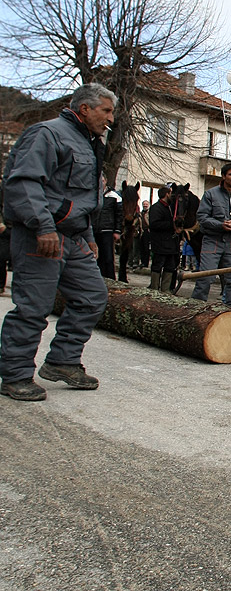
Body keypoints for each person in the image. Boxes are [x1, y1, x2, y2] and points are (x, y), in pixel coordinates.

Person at [0, 84, 115, 401]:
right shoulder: (47, 134)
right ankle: (15, 376)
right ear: (85, 109)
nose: (110, 118)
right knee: (33, 307)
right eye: (106, 111)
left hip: (74, 237)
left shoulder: (90, 144)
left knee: (92, 295)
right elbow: (24, 183)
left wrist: (89, 236)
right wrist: (43, 227)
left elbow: (84, 198)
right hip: (42, 236)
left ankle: (62, 362)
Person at [190, 163, 231, 307]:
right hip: (212, 240)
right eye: (230, 175)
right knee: (205, 277)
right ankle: (195, 308)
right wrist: (220, 224)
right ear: (223, 176)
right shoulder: (211, 194)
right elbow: (202, 216)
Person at [147, 186, 181, 292]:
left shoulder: (169, 208)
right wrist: (172, 225)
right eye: (170, 193)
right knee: (157, 266)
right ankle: (154, 289)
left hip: (170, 245)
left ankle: (165, 290)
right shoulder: (156, 208)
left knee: (170, 267)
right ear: (166, 194)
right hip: (160, 244)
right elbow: (154, 224)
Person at [96, 181, 121, 279]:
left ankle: (110, 279)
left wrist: (117, 230)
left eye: (102, 181)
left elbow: (119, 215)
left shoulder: (114, 196)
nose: (100, 182)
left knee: (108, 257)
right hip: (94, 230)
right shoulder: (93, 194)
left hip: (107, 230)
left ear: (106, 181)